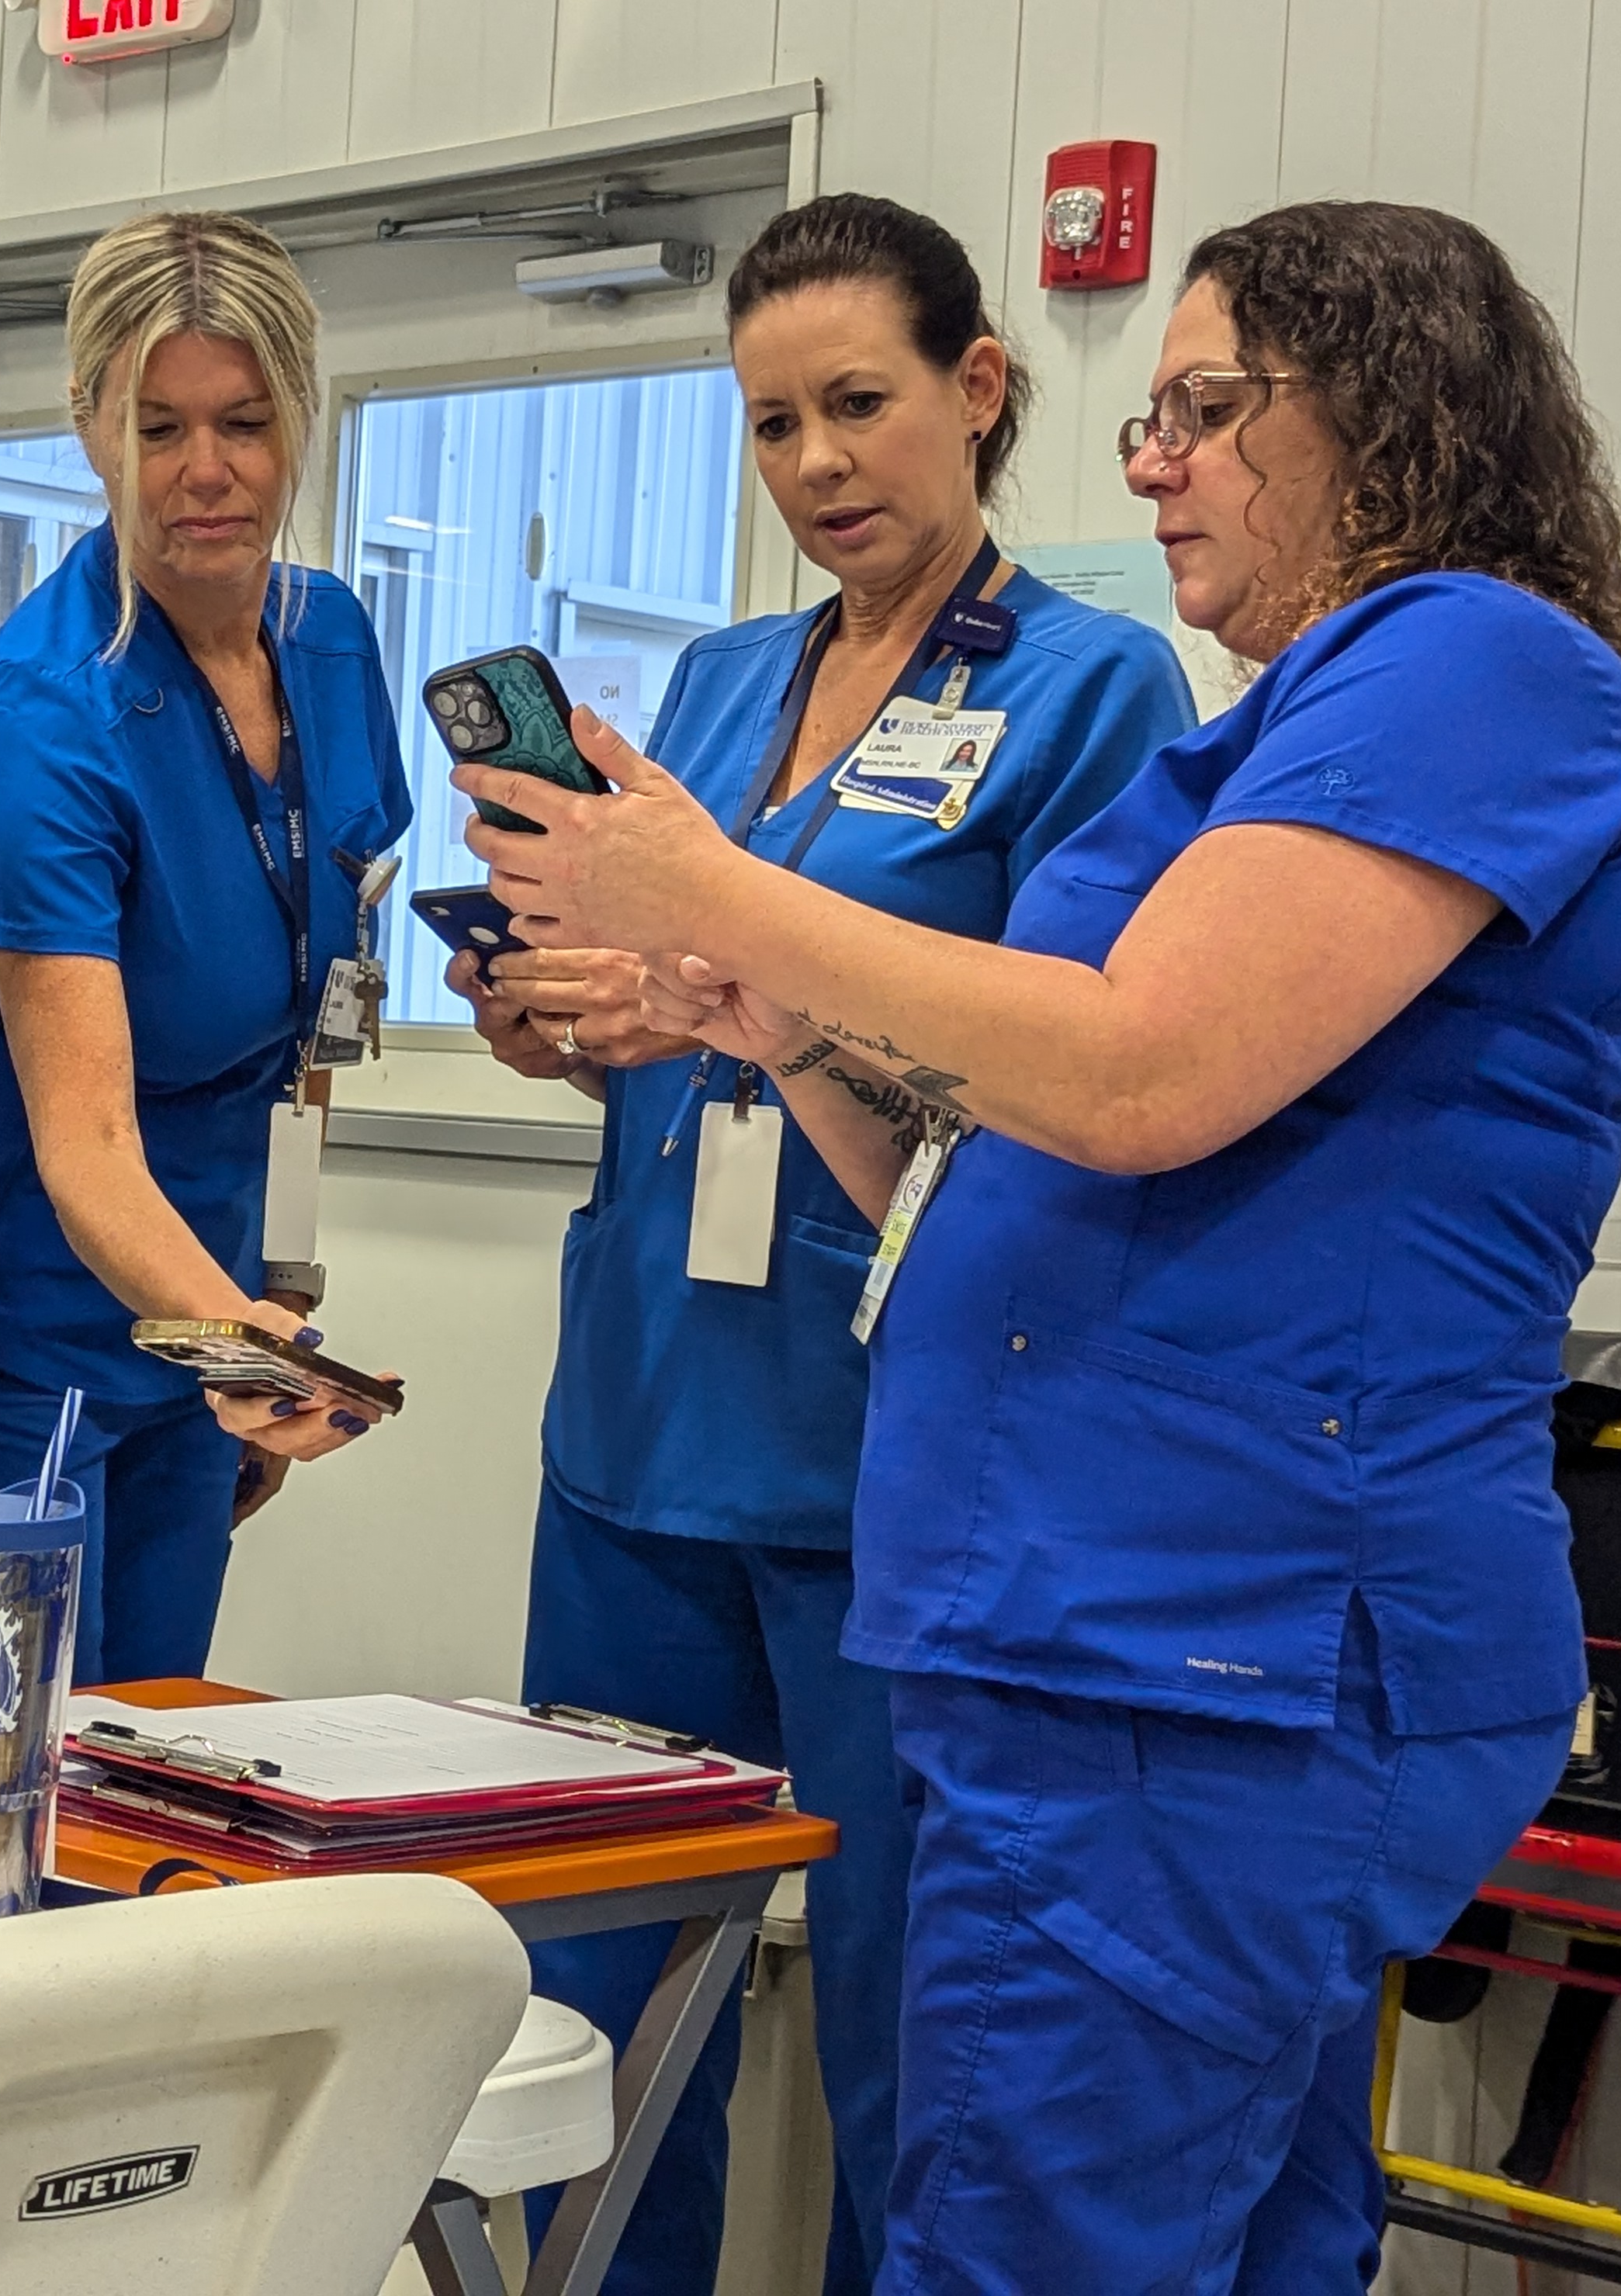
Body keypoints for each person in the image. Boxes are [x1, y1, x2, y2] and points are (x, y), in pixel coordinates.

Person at [461, 199, 1621, 2291]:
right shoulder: (1293, 722)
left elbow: (1145, 1074)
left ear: (1387, 417)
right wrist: (798, 1040)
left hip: (1202, 1654)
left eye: (1207, 410)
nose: (1152, 464)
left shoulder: (1469, 659)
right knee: (1229, 2232)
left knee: (1038, 2238)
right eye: (1149, 417)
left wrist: (705, 881)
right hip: (1117, 1645)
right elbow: (1032, 1179)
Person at [454, 196, 1190, 2295]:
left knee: (909, 2029)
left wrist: (778, 1004)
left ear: (979, 389)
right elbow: (669, 1015)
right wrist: (565, 1017)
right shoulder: (716, 679)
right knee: (588, 2008)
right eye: (774, 426)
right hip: (639, 1437)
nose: (818, 466)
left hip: (891, 1456)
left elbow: (1081, 1083)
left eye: (859, 405)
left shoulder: (1090, 693)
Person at [0, 210, 412, 1684]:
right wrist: (244, 1350)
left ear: (298, 424)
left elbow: (318, 1021)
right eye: (156, 426)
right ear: (88, 424)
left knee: (153, 1751)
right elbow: (83, 1146)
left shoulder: (329, 641)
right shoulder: (42, 717)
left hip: (186, 1291)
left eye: (243, 422)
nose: (205, 471)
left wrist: (269, 1300)